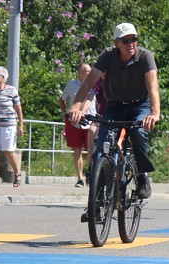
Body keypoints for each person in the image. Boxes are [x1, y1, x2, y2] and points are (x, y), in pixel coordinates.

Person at [67, 23, 160, 204]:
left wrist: (155, 114)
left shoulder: (145, 57)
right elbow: (88, 84)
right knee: (102, 148)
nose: (131, 44)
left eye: (134, 39)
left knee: (139, 133)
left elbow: (152, 87)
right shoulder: (107, 56)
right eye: (126, 40)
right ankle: (97, 199)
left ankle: (142, 176)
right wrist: (76, 107)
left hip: (139, 106)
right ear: (116, 42)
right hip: (114, 106)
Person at [60, 62, 96, 187]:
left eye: (90, 71)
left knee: (91, 149)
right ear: (80, 72)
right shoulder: (72, 85)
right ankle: (80, 178)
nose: (89, 73)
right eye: (86, 71)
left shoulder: (95, 83)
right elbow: (62, 99)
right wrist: (65, 113)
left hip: (91, 120)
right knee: (77, 149)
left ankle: (90, 174)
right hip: (75, 121)